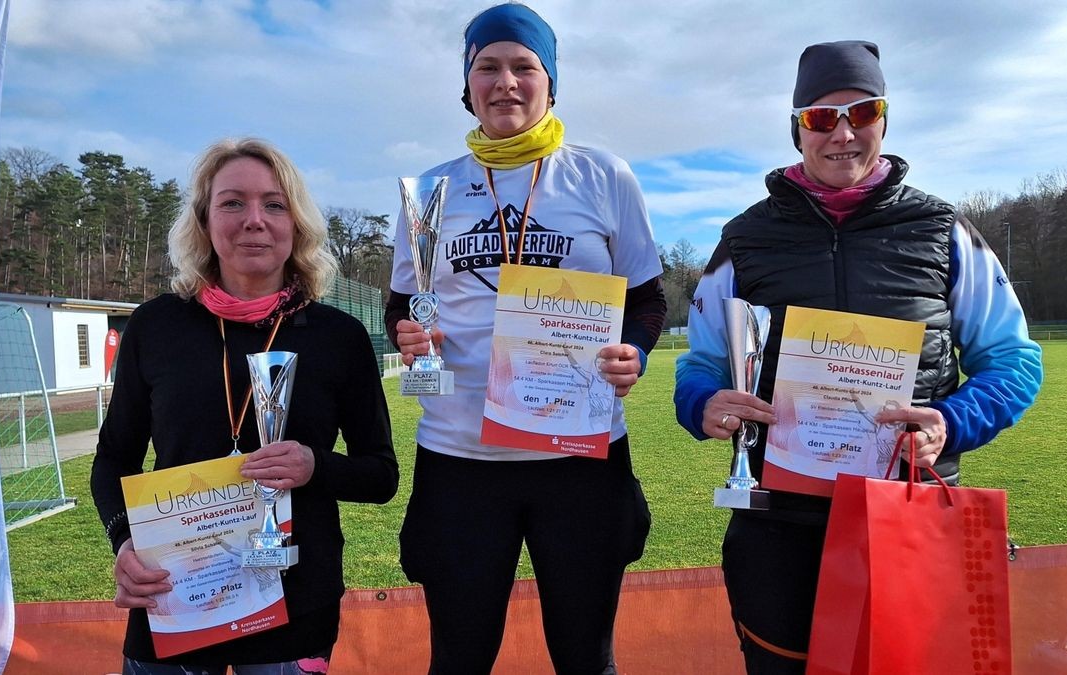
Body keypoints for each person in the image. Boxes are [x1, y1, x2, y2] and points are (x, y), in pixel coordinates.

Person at [674, 41, 1043, 673]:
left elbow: (1014, 360)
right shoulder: (744, 237)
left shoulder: (944, 228)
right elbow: (700, 362)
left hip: (909, 508)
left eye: (862, 112)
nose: (843, 133)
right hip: (781, 520)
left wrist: (950, 423)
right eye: (821, 117)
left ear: (885, 121)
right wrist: (704, 403)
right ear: (797, 129)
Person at [386, 4, 666, 673]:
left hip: (579, 458)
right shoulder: (431, 189)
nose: (505, 82)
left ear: (550, 81)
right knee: (458, 658)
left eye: (524, 66)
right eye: (488, 66)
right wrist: (408, 334)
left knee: (585, 656)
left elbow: (648, 299)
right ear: (467, 83)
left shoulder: (604, 175)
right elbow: (405, 300)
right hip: (461, 460)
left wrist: (636, 352)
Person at [90, 138, 398, 674]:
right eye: (232, 202)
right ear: (204, 220)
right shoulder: (155, 326)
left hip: (296, 601)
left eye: (274, 204)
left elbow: (381, 475)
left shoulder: (339, 336)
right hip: (176, 595)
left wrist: (313, 465)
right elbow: (114, 457)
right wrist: (123, 542)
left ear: (296, 224)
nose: (254, 219)